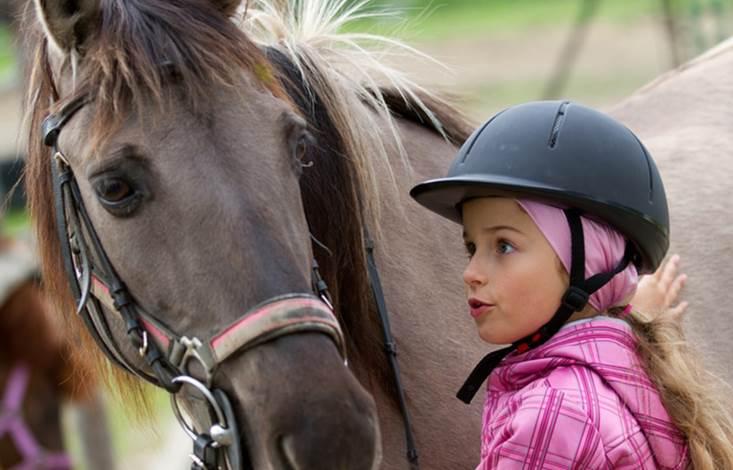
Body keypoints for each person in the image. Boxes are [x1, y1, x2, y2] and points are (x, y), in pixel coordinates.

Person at [410, 101, 733, 469]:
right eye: (471, 247)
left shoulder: (554, 414)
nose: (471, 272)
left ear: (587, 261)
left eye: (503, 245)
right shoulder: (629, 373)